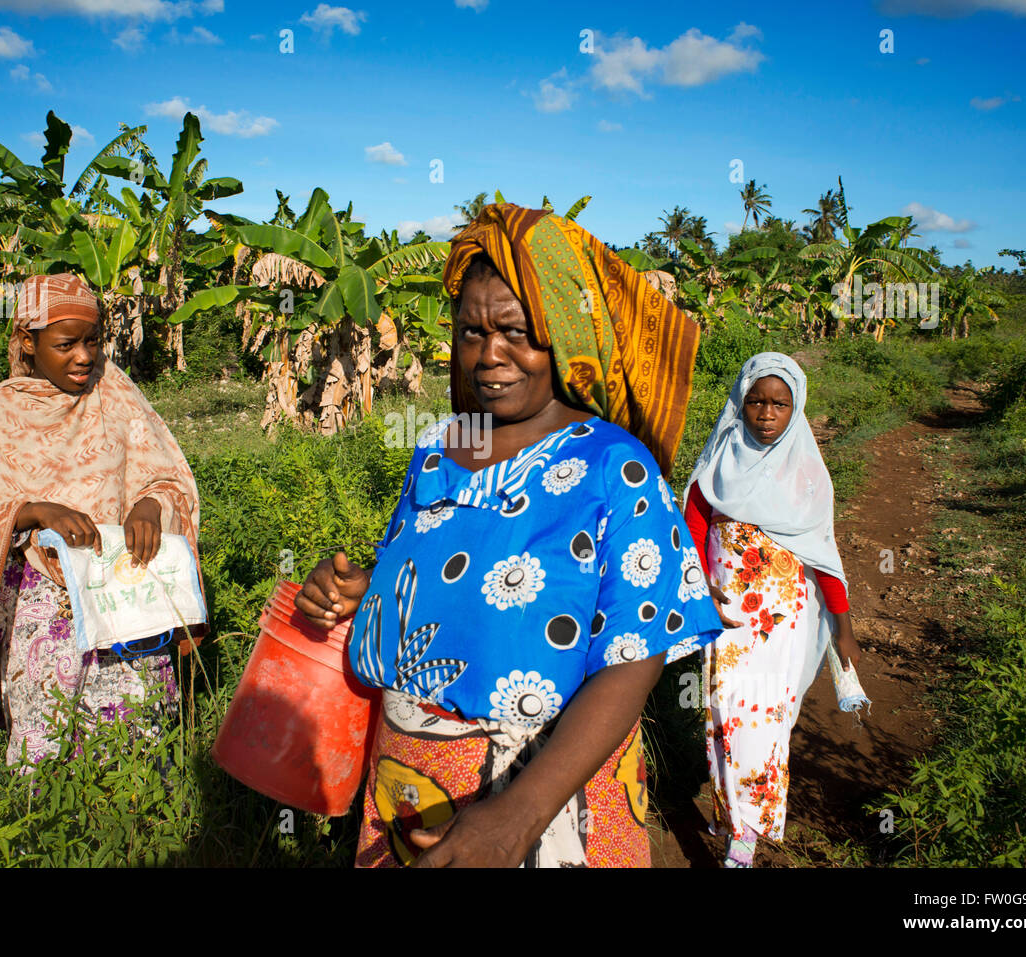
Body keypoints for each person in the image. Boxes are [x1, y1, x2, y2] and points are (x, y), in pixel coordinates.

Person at [297, 204, 722, 867]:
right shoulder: (440, 448)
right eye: (471, 332)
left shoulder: (615, 468)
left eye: (516, 332)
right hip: (408, 784)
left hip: (544, 796)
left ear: (564, 334)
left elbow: (633, 656)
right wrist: (362, 594)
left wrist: (518, 815)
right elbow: (427, 580)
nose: (488, 355)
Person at [0, 273, 200, 782]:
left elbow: (166, 474)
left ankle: (143, 836)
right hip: (41, 604)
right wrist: (31, 510)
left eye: (93, 341)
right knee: (45, 741)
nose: (84, 357)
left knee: (136, 742)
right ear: (28, 343)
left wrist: (149, 507)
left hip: (123, 596)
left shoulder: (114, 394)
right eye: (65, 344)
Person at [682, 352, 862, 867]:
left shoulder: (806, 474)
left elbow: (823, 555)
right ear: (740, 403)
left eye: (778, 403)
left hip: (782, 619)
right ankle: (733, 815)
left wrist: (843, 628)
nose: (765, 413)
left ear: (795, 408)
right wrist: (699, 586)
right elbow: (693, 528)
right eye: (755, 401)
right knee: (723, 714)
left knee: (766, 719)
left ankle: (745, 836)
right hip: (727, 615)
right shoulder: (718, 462)